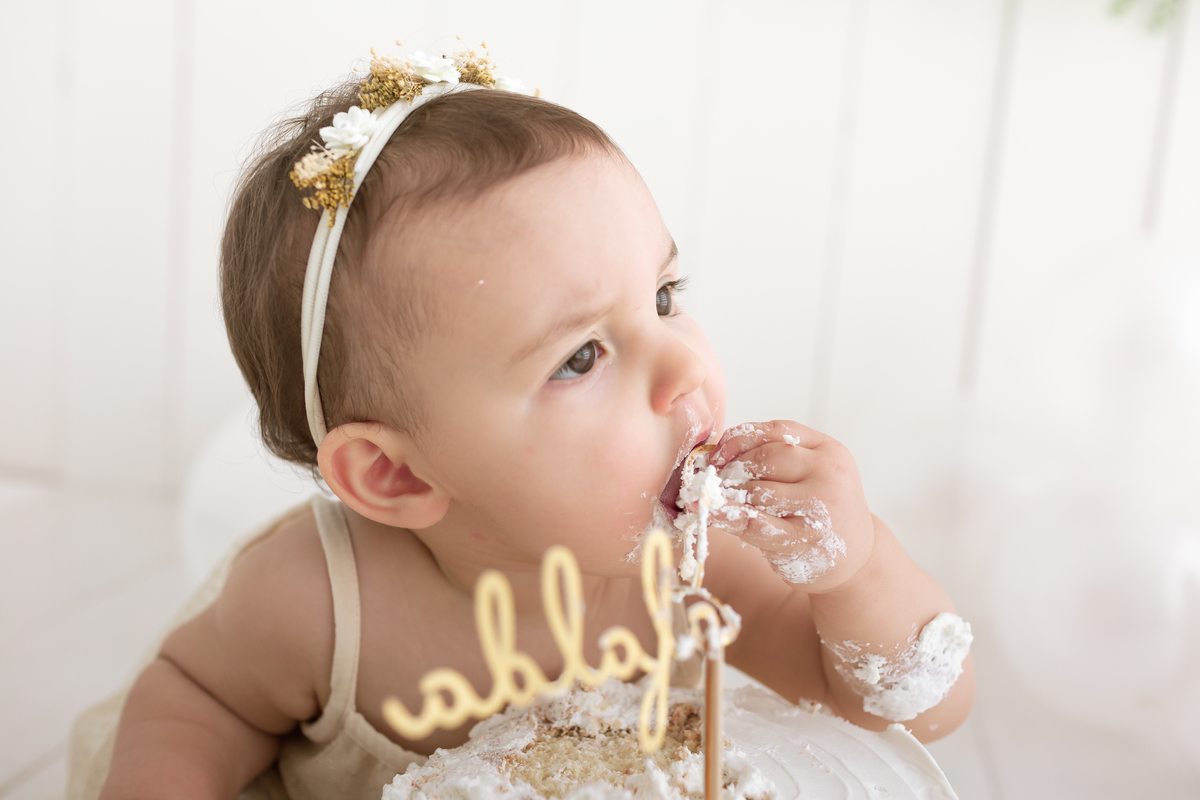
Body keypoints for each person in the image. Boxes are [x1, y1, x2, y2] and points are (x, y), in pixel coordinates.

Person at [85, 43, 973, 800]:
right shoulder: (318, 600)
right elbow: (193, 699)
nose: (683, 367)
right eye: (581, 357)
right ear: (397, 476)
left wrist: (856, 570)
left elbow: (920, 710)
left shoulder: (697, 567)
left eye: (663, 297)